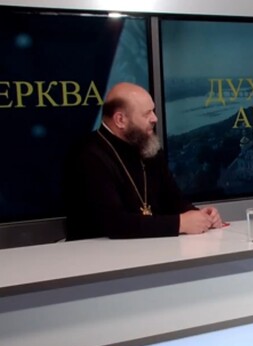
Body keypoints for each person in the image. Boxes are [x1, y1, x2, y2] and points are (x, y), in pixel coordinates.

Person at [63, 82, 223, 240]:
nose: (155, 118)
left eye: (153, 111)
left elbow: (173, 199)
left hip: (152, 248)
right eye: (147, 114)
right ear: (120, 120)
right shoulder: (88, 155)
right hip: (98, 252)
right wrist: (179, 224)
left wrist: (200, 216)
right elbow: (115, 223)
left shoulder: (148, 147)